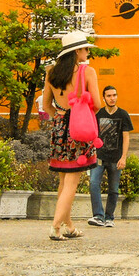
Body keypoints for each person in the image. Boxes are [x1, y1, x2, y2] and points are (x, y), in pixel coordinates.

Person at [44, 31, 100, 241]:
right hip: (79, 130)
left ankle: (69, 225)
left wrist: (60, 117)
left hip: (59, 128)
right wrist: (80, 113)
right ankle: (56, 226)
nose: (87, 52)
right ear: (77, 51)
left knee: (62, 181)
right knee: (72, 183)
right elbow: (98, 103)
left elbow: (46, 105)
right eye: (86, 49)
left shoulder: (51, 72)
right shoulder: (87, 72)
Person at [87, 85, 132, 228]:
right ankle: (98, 216)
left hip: (116, 158)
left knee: (113, 189)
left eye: (114, 95)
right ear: (104, 98)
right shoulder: (98, 114)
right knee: (94, 184)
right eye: (109, 96)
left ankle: (109, 217)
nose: (112, 98)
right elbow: (92, 135)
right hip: (99, 157)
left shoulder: (123, 115)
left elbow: (126, 137)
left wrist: (123, 157)